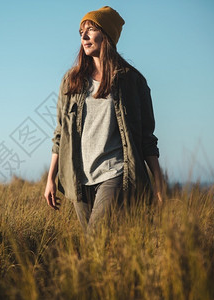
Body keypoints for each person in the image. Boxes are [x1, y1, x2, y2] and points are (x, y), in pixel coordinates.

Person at [43, 6, 164, 232]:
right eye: (81, 32)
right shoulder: (72, 81)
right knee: (104, 250)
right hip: (80, 178)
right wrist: (51, 178)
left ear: (106, 35)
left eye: (91, 29)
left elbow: (147, 137)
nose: (84, 36)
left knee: (93, 241)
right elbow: (60, 133)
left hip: (115, 173)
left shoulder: (133, 81)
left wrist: (158, 179)